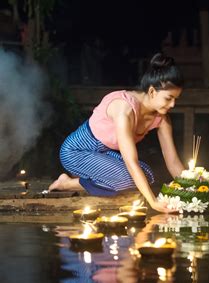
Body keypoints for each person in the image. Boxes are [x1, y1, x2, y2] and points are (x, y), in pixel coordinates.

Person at [48, 53, 185, 212]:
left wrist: (196, 190)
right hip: (76, 151)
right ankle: (67, 183)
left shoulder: (162, 119)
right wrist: (153, 202)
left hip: (103, 154)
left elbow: (173, 161)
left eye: (176, 99)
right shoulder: (124, 108)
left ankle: (87, 180)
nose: (173, 104)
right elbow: (131, 161)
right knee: (126, 179)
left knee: (147, 175)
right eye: (169, 98)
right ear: (153, 91)